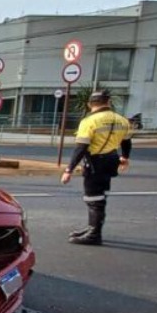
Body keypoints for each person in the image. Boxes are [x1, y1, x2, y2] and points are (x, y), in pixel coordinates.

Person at [60, 89, 132, 245]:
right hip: (111, 160)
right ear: (108, 102)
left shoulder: (89, 121)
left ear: (89, 104)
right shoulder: (122, 120)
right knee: (101, 196)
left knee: (94, 199)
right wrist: (125, 157)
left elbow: (81, 148)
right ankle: (92, 228)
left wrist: (69, 170)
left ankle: (94, 234)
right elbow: (126, 142)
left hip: (95, 162)